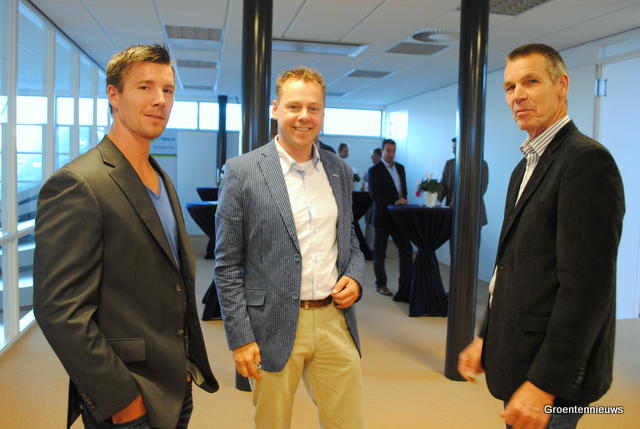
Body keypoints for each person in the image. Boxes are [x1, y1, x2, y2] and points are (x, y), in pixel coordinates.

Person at [33, 44, 219, 429]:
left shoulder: (160, 178)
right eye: (145, 87)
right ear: (114, 95)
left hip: (175, 384)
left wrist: (185, 365)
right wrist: (122, 400)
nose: (160, 99)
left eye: (167, 90)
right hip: (128, 397)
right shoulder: (79, 183)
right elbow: (59, 310)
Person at [458, 43, 624, 429]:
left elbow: (587, 290)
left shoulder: (586, 162)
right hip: (520, 354)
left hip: (550, 377)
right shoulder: (525, 167)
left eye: (530, 82)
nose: (518, 95)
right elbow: (509, 267)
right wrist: (486, 336)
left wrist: (545, 383)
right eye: (510, 87)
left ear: (561, 85)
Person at [215, 66, 365, 429]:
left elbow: (351, 240)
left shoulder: (339, 170)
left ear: (323, 113)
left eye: (314, 108)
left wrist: (355, 277)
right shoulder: (243, 171)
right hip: (272, 323)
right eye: (294, 106)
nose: (304, 116)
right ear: (275, 109)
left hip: (334, 321)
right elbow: (227, 264)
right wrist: (240, 337)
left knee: (347, 423)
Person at [368, 139, 413, 296]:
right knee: (380, 253)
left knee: (406, 249)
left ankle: (405, 285)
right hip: (382, 217)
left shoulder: (400, 168)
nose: (391, 154)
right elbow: (375, 195)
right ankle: (381, 285)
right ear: (382, 151)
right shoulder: (374, 170)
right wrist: (394, 202)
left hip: (399, 217)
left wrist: (403, 200)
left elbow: (403, 190)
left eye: (393, 151)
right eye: (388, 150)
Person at [438, 137, 489, 225]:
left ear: (464, 148)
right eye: (453, 148)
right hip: (452, 213)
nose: (453, 151)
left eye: (455, 148)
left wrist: (458, 201)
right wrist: (434, 201)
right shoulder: (449, 164)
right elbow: (443, 186)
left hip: (473, 214)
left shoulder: (481, 164)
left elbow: (480, 190)